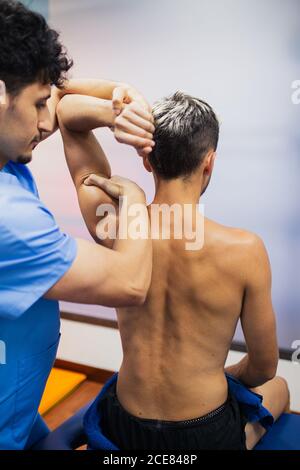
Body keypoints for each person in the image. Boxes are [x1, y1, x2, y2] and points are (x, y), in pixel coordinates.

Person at [58, 91, 290, 450]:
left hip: (125, 423)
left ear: (147, 160)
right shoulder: (246, 250)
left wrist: (115, 112)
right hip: (203, 432)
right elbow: (263, 367)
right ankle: (243, 439)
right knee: (279, 389)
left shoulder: (116, 226)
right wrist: (209, 377)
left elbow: (67, 114)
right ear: (208, 163)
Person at [0, 0, 154, 450]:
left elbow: (64, 103)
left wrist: (124, 103)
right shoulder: (11, 220)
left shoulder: (8, 156)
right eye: (38, 105)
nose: (48, 121)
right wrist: (137, 202)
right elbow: (130, 284)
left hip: (18, 411)